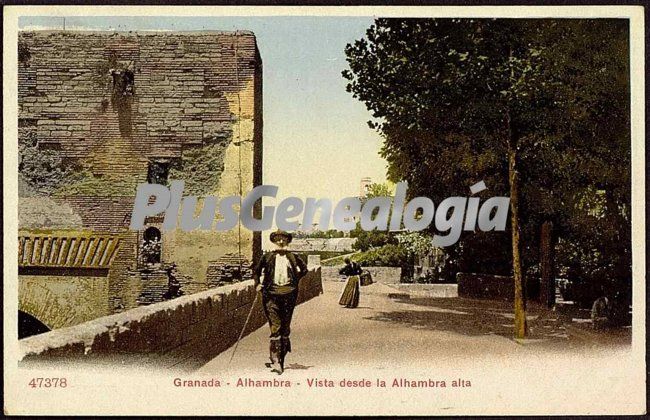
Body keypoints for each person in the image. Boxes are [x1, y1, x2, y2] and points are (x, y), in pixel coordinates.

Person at [253, 229, 308, 374]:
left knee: (285, 328)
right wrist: (258, 283)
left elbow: (304, 269)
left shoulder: (293, 257)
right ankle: (276, 362)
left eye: (284, 239)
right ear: (274, 241)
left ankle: (281, 358)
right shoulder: (267, 257)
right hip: (271, 295)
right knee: (275, 327)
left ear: (288, 241)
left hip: (289, 295)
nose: (281, 242)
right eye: (278, 239)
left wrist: (294, 282)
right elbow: (256, 271)